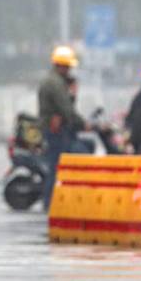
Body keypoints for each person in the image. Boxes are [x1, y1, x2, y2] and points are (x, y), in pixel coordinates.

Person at [38, 45, 90, 210]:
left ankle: (52, 202)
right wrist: (84, 124)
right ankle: (50, 203)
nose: (69, 71)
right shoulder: (55, 84)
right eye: (68, 67)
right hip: (56, 131)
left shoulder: (54, 81)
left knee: (56, 166)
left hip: (55, 130)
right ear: (61, 66)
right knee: (57, 167)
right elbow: (66, 109)